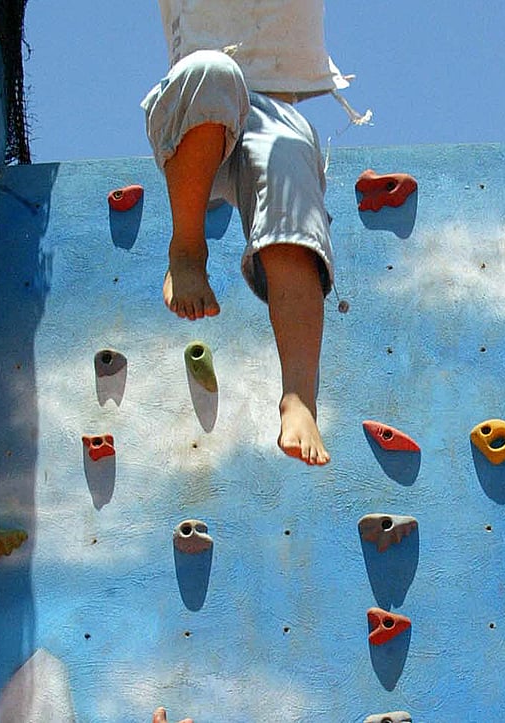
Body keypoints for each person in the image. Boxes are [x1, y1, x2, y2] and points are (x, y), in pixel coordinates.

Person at [142, 0, 356, 465]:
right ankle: (186, 248)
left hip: (276, 117)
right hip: (199, 119)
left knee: (290, 166)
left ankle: (299, 396)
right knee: (211, 70)